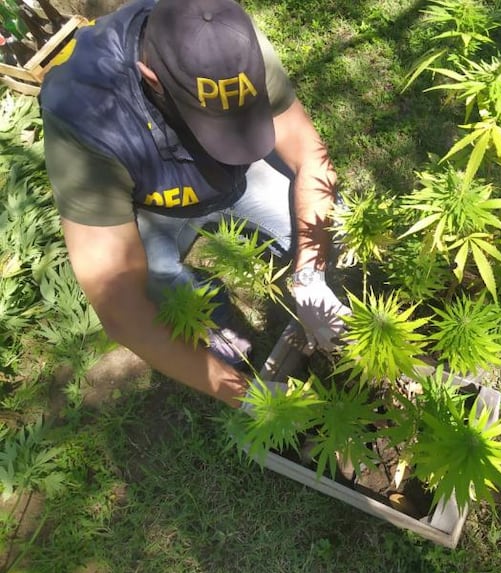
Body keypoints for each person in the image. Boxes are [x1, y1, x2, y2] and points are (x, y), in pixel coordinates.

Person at [39, 0, 350, 409]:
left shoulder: (232, 45)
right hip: (154, 206)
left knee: (334, 222)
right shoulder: (84, 116)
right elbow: (120, 306)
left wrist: (310, 275)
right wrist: (246, 396)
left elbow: (311, 156)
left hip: (236, 176)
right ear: (151, 78)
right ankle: (211, 318)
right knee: (159, 295)